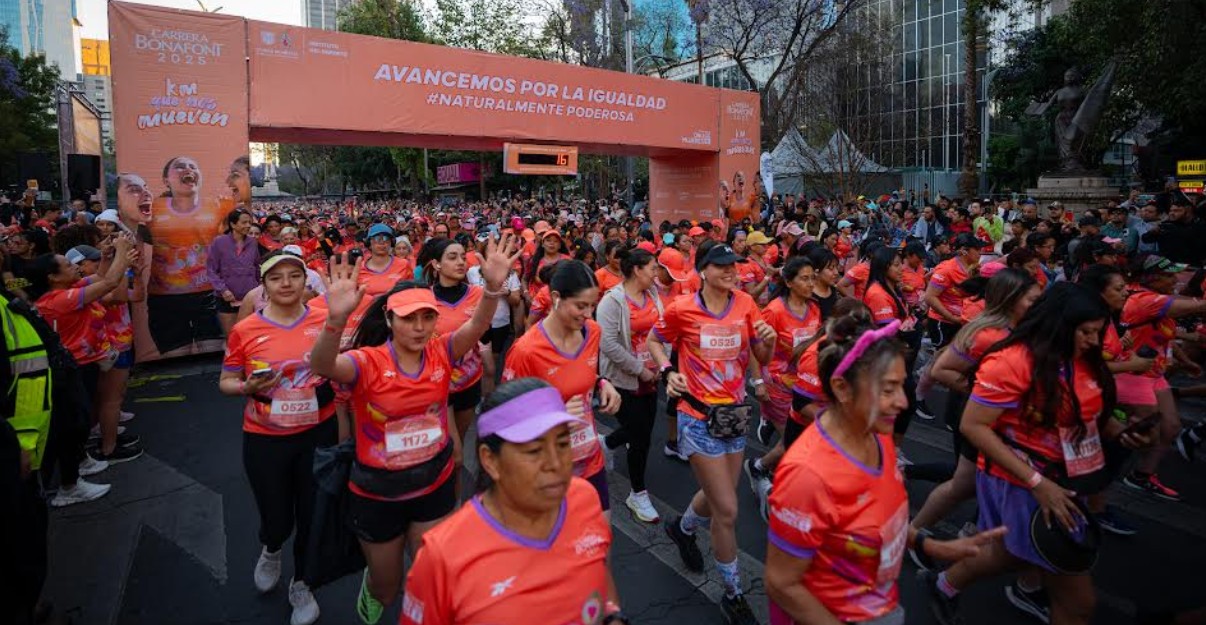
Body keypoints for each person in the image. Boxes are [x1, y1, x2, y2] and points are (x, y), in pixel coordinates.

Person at [309, 236, 517, 625]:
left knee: (428, 575)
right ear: (389, 320)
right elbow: (322, 365)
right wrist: (335, 320)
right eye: (408, 318)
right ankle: (373, 583)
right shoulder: (365, 362)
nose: (420, 328)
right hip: (378, 491)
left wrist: (491, 288)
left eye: (427, 317)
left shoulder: (443, 350)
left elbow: (478, 323)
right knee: (387, 590)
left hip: (432, 482)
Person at [923, 283, 1153, 625]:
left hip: (1068, 477)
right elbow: (973, 425)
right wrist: (1035, 482)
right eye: (1086, 332)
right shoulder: (1010, 359)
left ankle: (943, 584)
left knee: (1010, 553)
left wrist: (1118, 432)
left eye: (1098, 331)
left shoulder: (1084, 361)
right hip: (1023, 480)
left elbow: (1084, 410)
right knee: (1078, 604)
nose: (1093, 341)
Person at [764, 316, 1004, 625]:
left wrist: (929, 544)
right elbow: (782, 585)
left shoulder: (877, 436)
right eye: (888, 389)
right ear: (842, 387)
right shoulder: (808, 476)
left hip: (878, 605)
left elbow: (879, 520)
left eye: (902, 386)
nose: (903, 402)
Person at [398, 378, 626, 625]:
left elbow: (600, 575)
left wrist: (613, 616)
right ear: (490, 460)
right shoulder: (441, 556)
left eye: (562, 443)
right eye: (533, 451)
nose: (555, 463)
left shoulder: (584, 498)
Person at [647, 243, 776, 624]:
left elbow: (763, 356)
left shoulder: (746, 306)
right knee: (727, 509)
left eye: (733, 266)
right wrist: (667, 371)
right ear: (703, 270)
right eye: (721, 266)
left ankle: (682, 528)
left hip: (733, 416)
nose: (731, 272)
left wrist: (766, 341)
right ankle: (733, 594)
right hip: (696, 415)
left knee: (717, 495)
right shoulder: (682, 309)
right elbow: (655, 340)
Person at [218, 250, 338, 625]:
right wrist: (245, 387)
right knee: (277, 516)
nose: (286, 284)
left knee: (313, 514)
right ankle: (271, 547)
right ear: (264, 287)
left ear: (306, 284)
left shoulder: (325, 320)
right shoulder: (246, 329)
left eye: (294, 276)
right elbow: (225, 381)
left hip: (319, 431)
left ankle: (302, 584)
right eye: (276, 278)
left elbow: (345, 368)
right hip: (265, 437)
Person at [908, 269, 1039, 544]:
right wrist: (986, 391)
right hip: (974, 413)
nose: (1036, 305)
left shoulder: (1020, 329)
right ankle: (915, 534)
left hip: (994, 417)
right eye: (1031, 299)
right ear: (1011, 300)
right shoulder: (987, 333)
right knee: (966, 481)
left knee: (969, 482)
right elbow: (940, 369)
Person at [502, 261, 621, 514]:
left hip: (588, 459)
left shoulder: (593, 332)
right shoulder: (526, 351)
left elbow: (578, 372)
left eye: (593, 305)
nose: (588, 313)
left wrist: (601, 382)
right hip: (544, 469)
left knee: (601, 541)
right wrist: (554, 417)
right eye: (580, 305)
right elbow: (504, 419)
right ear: (556, 298)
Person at [29, 235, 134, 505]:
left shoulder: (69, 290)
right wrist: (122, 250)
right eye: (67, 265)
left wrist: (109, 255)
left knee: (79, 420)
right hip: (73, 367)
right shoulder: (62, 300)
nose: (75, 267)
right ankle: (69, 487)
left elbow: (100, 276)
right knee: (74, 423)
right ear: (53, 277)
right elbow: (109, 283)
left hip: (83, 364)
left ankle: (80, 462)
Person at [1116, 255, 1206, 502]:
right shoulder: (1145, 300)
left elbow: (1162, 332)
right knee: (1142, 434)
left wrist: (1185, 360)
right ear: (1151, 277)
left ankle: (1141, 475)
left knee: (1171, 427)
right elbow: (1198, 306)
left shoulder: (1154, 300)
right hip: (1134, 374)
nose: (1176, 280)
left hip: (1154, 374)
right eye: (1169, 276)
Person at [745, 257, 821, 519]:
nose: (811, 283)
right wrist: (758, 383)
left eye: (813, 277)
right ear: (788, 282)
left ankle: (759, 467)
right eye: (804, 278)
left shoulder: (814, 309)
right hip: (776, 385)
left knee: (794, 440)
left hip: (803, 386)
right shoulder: (774, 311)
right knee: (797, 442)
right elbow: (756, 350)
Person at [597, 247, 665, 523]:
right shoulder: (612, 302)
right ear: (637, 270)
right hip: (623, 379)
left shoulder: (653, 294)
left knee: (644, 428)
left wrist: (663, 364)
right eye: (653, 267)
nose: (656, 272)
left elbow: (662, 331)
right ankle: (637, 493)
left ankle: (607, 442)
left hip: (652, 376)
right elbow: (608, 343)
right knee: (640, 436)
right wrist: (640, 370)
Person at [146, 156, 228, 356]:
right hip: (165, 299)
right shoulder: (151, 209)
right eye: (180, 167)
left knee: (212, 359)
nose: (187, 169)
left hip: (209, 294)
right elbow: (136, 235)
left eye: (193, 166)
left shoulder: (219, 207)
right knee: (177, 361)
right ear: (166, 180)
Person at [418, 236, 489, 455]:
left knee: (460, 437)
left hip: (469, 380)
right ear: (436, 264)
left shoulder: (478, 295)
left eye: (462, 256)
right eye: (452, 257)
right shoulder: (422, 297)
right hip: (436, 382)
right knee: (451, 448)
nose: (461, 262)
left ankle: (456, 487)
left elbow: (484, 330)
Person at [924, 233, 985, 348]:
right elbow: (930, 297)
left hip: (962, 321)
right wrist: (952, 318)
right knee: (942, 357)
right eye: (976, 249)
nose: (980, 253)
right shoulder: (947, 270)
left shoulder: (974, 268)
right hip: (943, 322)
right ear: (964, 251)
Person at [207, 209, 260, 337]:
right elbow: (211, 270)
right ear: (233, 224)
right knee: (232, 337)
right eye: (244, 222)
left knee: (250, 336)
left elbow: (256, 267)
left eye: (249, 222)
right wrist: (223, 290)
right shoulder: (219, 242)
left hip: (249, 297)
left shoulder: (252, 242)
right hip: (226, 298)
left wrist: (258, 289)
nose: (248, 225)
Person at [359, 224, 411, 298]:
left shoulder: (404, 265)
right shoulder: (359, 269)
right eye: (377, 238)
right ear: (369, 243)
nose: (382, 242)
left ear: (391, 243)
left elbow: (410, 292)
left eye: (386, 238)